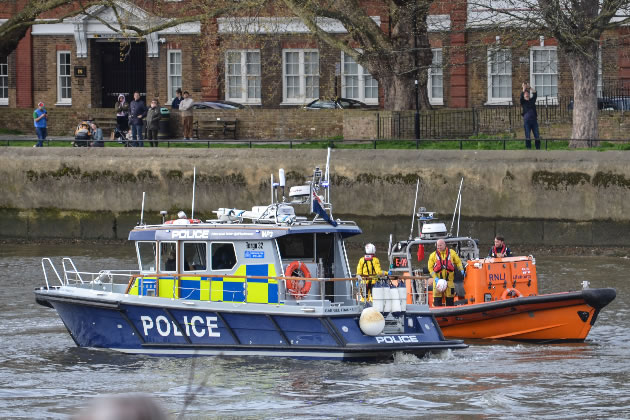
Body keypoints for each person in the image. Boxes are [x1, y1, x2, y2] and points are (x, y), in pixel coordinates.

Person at [428, 239, 464, 307]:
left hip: (449, 281)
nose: (439, 247)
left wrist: (461, 270)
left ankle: (450, 314)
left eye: (440, 245)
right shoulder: (433, 255)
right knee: (437, 300)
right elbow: (430, 268)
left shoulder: (452, 253)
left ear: (445, 245)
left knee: (450, 300)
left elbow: (458, 262)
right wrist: (435, 278)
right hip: (438, 282)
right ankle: (437, 315)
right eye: (438, 245)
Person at [520, 81, 540, 150]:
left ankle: (538, 149)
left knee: (537, 135)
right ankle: (529, 149)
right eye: (525, 94)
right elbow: (520, 98)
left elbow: (535, 93)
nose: (526, 94)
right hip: (527, 122)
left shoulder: (532, 100)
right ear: (524, 95)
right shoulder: (523, 102)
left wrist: (529, 87)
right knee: (528, 136)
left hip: (534, 121)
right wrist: (523, 88)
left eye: (527, 93)